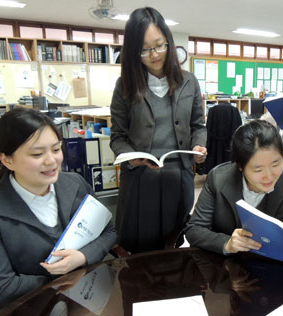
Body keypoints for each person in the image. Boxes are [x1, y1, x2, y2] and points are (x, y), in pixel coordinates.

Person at [0, 108, 117, 308]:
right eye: (37, 154)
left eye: (56, 149)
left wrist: (82, 257)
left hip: (87, 299)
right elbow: (1, 288)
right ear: (6, 160)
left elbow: (109, 231)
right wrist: (65, 277)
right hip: (31, 307)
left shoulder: (75, 184)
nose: (51, 161)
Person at [110, 7, 207, 253]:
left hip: (180, 177)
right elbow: (118, 137)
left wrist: (198, 145)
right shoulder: (125, 85)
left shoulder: (189, 81)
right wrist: (134, 158)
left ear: (169, 42)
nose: (154, 55)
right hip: (141, 181)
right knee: (140, 252)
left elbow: (198, 125)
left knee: (174, 245)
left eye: (159, 45)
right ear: (133, 51)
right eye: (144, 49)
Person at [185, 120, 283, 255]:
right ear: (240, 167)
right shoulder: (218, 179)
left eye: (275, 164)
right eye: (258, 170)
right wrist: (227, 243)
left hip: (273, 264)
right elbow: (194, 229)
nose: (269, 176)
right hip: (226, 266)